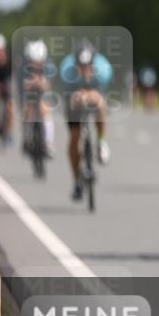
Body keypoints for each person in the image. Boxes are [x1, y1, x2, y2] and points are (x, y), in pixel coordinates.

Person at [60, 40, 113, 201]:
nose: (84, 70)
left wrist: (90, 95)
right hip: (74, 99)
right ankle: (76, 179)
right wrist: (79, 97)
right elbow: (71, 99)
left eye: (88, 66)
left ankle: (101, 141)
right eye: (80, 66)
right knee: (74, 138)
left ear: (93, 63)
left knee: (100, 104)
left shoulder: (103, 70)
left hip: (93, 94)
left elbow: (99, 95)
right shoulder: (67, 71)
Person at [19, 39, 55, 158]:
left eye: (39, 62)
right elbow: (22, 86)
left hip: (43, 94)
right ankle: (26, 139)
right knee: (27, 111)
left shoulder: (49, 66)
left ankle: (48, 143)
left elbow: (48, 86)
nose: (36, 65)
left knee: (45, 110)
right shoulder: (22, 67)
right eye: (33, 62)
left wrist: (38, 83)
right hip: (27, 94)